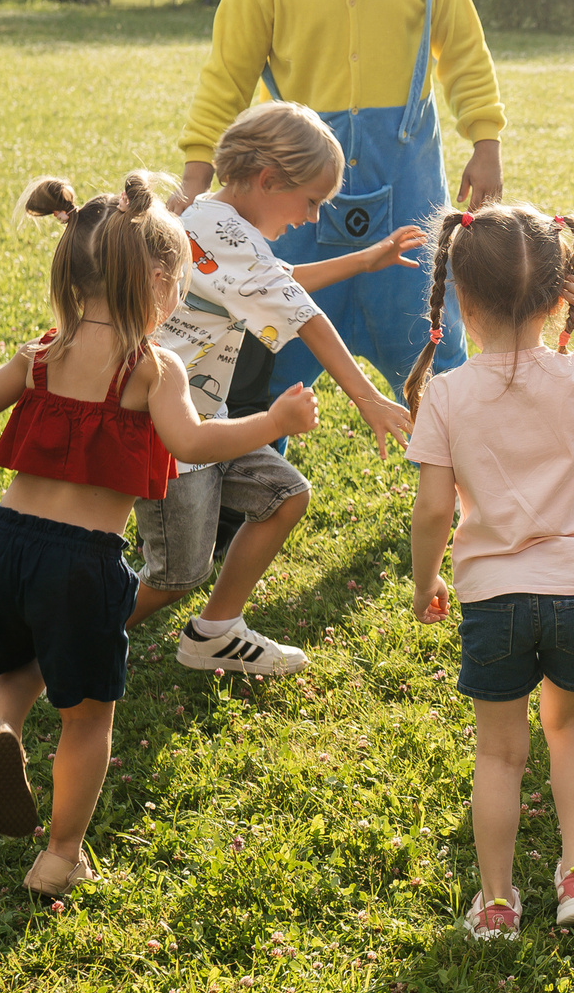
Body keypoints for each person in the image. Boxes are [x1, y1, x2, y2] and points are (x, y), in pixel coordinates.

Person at [0, 175, 320, 896]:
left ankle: (2, 729)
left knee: (14, 663)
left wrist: (25, 365)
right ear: (159, 281)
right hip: (81, 562)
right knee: (87, 719)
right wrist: (274, 423)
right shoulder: (153, 366)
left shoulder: (45, 350)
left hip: (3, 544)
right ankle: (60, 855)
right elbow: (193, 440)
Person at [405, 204, 574, 941]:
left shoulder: (448, 393)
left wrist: (425, 579)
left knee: (499, 755)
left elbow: (432, 509)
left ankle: (498, 902)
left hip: (493, 597)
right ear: (561, 299)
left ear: (461, 300)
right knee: (571, 725)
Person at [171, 0, 504, 401]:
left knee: (430, 348)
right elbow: (226, 77)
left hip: (409, 187)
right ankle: (255, 459)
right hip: (291, 188)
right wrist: (195, 177)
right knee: (268, 359)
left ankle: (449, 461)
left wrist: (486, 142)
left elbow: (465, 52)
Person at [133, 102, 419, 675]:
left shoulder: (211, 218)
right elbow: (303, 314)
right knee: (176, 576)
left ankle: (214, 632)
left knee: (285, 494)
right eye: (310, 201)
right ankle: (75, 638)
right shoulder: (225, 232)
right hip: (166, 430)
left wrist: (364, 262)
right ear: (267, 180)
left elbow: (274, 285)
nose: (311, 219)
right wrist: (369, 400)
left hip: (202, 421)